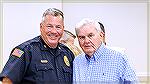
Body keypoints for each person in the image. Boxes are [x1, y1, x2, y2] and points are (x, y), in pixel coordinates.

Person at [0, 8, 74, 84]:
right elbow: (7, 80)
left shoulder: (68, 53)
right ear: (41, 27)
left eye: (58, 27)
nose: (54, 31)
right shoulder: (25, 51)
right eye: (49, 26)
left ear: (63, 29)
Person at [73, 18, 137, 83]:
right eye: (82, 37)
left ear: (101, 36)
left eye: (90, 36)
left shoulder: (119, 58)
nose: (86, 41)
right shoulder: (77, 61)